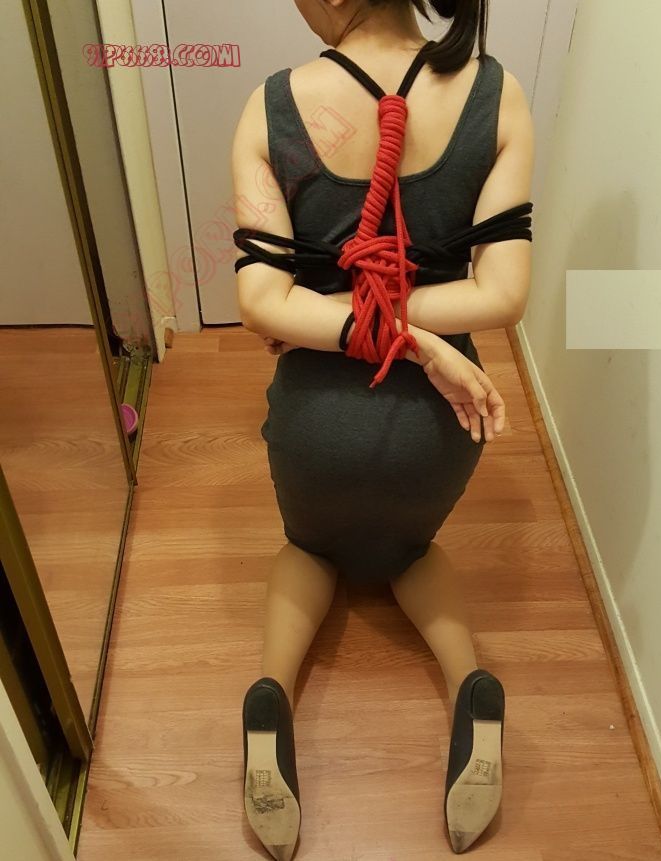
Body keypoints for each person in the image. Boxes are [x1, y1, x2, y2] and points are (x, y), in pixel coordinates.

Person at [231, 0, 534, 857]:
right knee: (412, 550)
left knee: (308, 546)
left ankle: (270, 692)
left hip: (315, 421)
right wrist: (425, 343)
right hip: (440, 422)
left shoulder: (272, 106)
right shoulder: (498, 95)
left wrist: (350, 315)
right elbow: (503, 294)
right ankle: (470, 681)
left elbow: (261, 301)